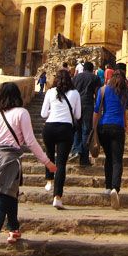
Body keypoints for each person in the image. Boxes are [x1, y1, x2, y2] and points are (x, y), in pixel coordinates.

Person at [0, 82, 56, 256]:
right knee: (0, 207)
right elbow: (30, 141)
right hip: (7, 162)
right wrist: (47, 162)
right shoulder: (21, 113)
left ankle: (13, 228)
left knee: (11, 195)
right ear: (18, 96)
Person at [41, 69, 81, 209]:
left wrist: (54, 111)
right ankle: (57, 197)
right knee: (61, 164)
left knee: (49, 156)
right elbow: (78, 115)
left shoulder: (50, 92)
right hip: (65, 129)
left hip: (50, 127)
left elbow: (43, 113)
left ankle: (49, 180)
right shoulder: (75, 93)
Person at [94, 69, 128, 210]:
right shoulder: (126, 92)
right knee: (117, 160)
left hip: (104, 127)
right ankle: (115, 188)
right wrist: (126, 127)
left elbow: (96, 110)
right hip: (118, 127)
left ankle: (108, 186)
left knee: (108, 158)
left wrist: (94, 129)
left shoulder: (103, 90)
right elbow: (126, 112)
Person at [71, 61, 101, 165]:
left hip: (76, 104)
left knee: (76, 129)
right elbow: (97, 94)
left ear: (83, 69)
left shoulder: (76, 78)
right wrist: (98, 109)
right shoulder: (95, 78)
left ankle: (76, 150)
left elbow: (72, 91)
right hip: (88, 105)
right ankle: (84, 159)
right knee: (86, 131)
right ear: (92, 69)